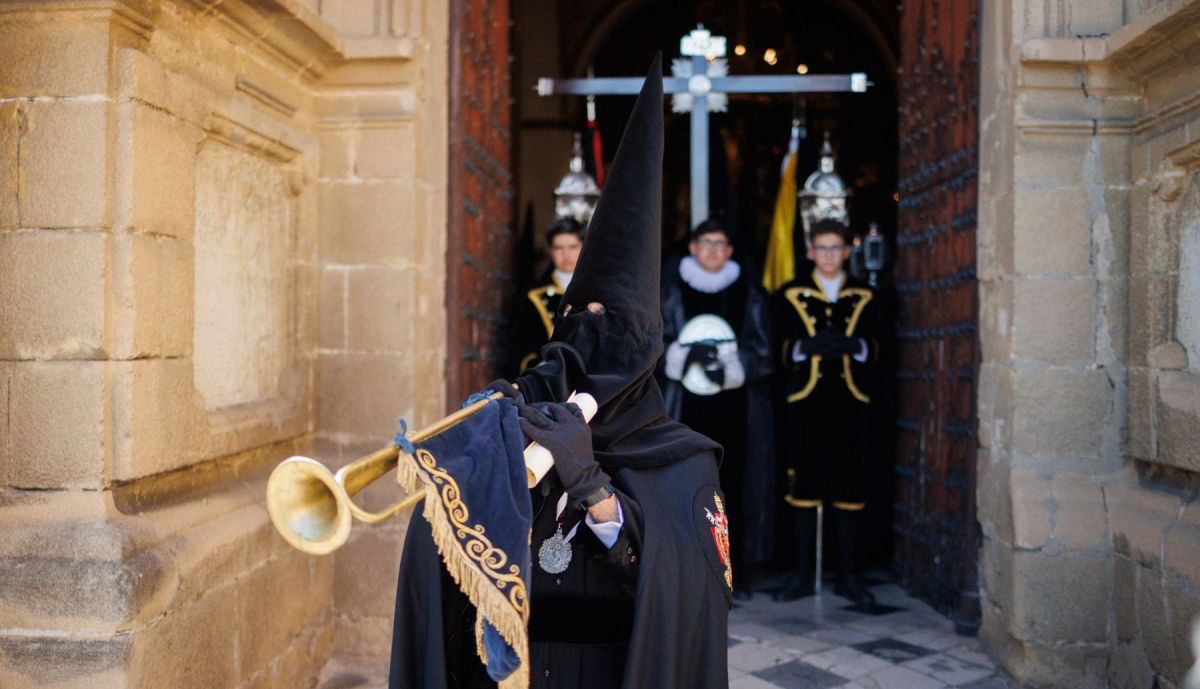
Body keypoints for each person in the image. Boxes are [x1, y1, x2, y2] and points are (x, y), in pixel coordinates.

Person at [390, 54, 731, 689]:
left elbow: (686, 598)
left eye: (607, 316)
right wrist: (475, 454)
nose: (586, 327)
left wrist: (593, 486)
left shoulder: (682, 459)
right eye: (575, 312)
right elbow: (447, 559)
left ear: (643, 338)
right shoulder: (527, 415)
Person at [660, 217, 773, 598]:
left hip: (734, 409)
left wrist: (730, 363)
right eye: (704, 242)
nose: (711, 249)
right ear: (692, 248)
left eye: (719, 243)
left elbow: (764, 351)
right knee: (686, 486)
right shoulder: (670, 290)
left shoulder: (748, 291)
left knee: (732, 487)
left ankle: (731, 574)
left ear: (728, 251)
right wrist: (683, 354)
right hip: (683, 408)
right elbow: (654, 343)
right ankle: (690, 571)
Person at [773, 218, 881, 605]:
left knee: (850, 487)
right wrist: (806, 348)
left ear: (847, 251)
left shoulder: (867, 293)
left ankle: (850, 575)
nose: (829, 255)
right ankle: (801, 574)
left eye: (836, 248)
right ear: (810, 252)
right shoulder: (790, 294)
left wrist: (857, 348)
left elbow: (882, 345)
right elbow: (778, 348)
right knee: (803, 488)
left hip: (852, 405)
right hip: (807, 404)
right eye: (822, 248)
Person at [510, 219, 584, 375]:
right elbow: (522, 347)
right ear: (550, 250)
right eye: (559, 248)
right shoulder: (532, 296)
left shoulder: (596, 291)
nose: (566, 255)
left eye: (572, 247)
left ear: (583, 247)